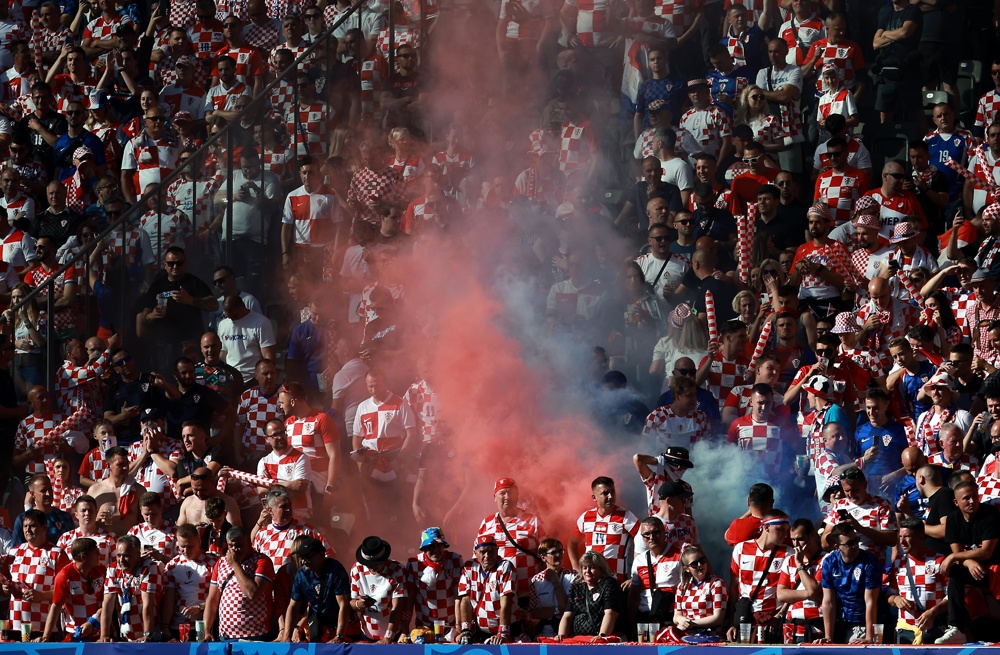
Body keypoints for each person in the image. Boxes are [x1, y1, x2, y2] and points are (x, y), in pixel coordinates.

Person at [937, 480, 1000, 643]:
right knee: (955, 573)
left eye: (974, 497)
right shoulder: (952, 520)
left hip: (995, 569)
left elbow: (986, 552)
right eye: (966, 498)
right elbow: (958, 552)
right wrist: (968, 562)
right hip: (973, 569)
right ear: (956, 502)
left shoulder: (990, 514)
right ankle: (956, 627)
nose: (972, 501)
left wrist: (954, 557)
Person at [3, 509, 70, 638]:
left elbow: (67, 591)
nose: (28, 530)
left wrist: (42, 595)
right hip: (15, 626)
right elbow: (3, 585)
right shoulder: (13, 552)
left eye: (33, 526)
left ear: (44, 527)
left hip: (44, 629)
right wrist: (5, 589)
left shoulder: (57, 554)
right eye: (25, 526)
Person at [477, 477, 545, 603]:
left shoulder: (532, 520)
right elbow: (477, 557)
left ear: (517, 495)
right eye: (502, 493)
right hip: (497, 594)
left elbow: (546, 555)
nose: (507, 497)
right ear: (494, 497)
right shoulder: (487, 523)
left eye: (511, 493)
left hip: (529, 593)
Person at [202, 525, 275, 641]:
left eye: (239, 546)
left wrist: (236, 565)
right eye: (231, 545)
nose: (234, 549)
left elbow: (252, 593)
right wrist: (206, 630)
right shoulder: (221, 563)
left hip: (255, 636)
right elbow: (212, 599)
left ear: (249, 543)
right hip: (226, 636)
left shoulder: (262, 561)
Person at [726, 511, 791, 642]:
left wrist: (779, 616)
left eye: (786, 530)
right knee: (744, 651)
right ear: (766, 527)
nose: (785, 534)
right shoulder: (741, 548)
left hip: (772, 620)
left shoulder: (789, 553)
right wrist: (731, 622)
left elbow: (791, 589)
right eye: (780, 529)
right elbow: (733, 587)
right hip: (745, 617)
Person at [887, 518, 949, 644]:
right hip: (906, 630)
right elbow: (889, 594)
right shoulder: (898, 563)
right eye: (900, 537)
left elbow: (951, 596)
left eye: (907, 536)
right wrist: (896, 599)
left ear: (921, 537)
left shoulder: (939, 560)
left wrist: (933, 612)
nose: (902, 541)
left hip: (935, 628)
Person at [817, 523, 881, 644]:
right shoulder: (830, 562)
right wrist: (828, 637)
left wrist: (869, 637)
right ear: (837, 547)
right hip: (842, 621)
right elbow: (828, 601)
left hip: (868, 622)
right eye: (849, 543)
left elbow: (871, 601)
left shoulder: (869, 561)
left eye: (856, 540)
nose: (855, 545)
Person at [567, 476, 640, 582]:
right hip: (591, 582)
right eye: (605, 493)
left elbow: (643, 541)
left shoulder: (626, 516)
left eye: (612, 492)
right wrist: (576, 569)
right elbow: (572, 543)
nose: (610, 496)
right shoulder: (586, 517)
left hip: (616, 581)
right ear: (594, 497)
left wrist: (635, 575)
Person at [280, 536, 350, 642]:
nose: (303, 561)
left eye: (308, 557)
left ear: (321, 556)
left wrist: (339, 636)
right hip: (318, 622)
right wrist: (286, 635)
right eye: (301, 557)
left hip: (341, 623)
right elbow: (293, 606)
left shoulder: (335, 570)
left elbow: (343, 604)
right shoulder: (301, 575)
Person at [100, 535, 164, 642]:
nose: (121, 560)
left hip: (150, 632)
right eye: (119, 555)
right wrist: (104, 635)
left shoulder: (149, 567)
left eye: (126, 556)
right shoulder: (112, 568)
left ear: (138, 555)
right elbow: (107, 603)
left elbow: (147, 604)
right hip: (125, 635)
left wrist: (147, 635)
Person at [161, 523, 218, 640]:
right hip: (179, 625)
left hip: (205, 624)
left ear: (198, 540)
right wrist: (165, 625)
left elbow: (218, 596)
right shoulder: (172, 565)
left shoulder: (212, 563)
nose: (185, 551)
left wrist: (200, 607)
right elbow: (169, 598)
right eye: (182, 547)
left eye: (190, 546)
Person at [43, 536, 105, 642]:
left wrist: (93, 621)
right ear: (84, 557)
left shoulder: (102, 571)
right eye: (96, 553)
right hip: (75, 635)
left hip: (99, 633)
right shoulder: (64, 576)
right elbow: (56, 607)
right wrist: (45, 637)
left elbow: (108, 603)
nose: (99, 555)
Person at [405, 527, 464, 636]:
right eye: (431, 546)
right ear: (423, 548)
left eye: (439, 545)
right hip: (424, 626)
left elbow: (458, 596)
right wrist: (404, 630)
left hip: (450, 625)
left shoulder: (455, 559)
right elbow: (410, 600)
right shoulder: (414, 563)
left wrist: (459, 626)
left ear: (444, 546)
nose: (436, 549)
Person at [628, 516, 684, 628]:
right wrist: (632, 624)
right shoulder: (639, 560)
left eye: (656, 532)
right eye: (647, 534)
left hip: (670, 617)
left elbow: (686, 590)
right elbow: (633, 596)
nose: (651, 537)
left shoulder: (679, 556)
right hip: (645, 617)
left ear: (664, 532)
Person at [555, 551, 623, 643]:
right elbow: (567, 615)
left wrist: (602, 636)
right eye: (585, 567)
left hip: (603, 640)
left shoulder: (609, 584)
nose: (587, 571)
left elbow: (610, 614)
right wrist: (561, 635)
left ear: (601, 569)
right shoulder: (577, 587)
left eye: (592, 567)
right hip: (578, 640)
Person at [349, 535, 407, 643]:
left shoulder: (397, 569)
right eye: (368, 564)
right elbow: (352, 603)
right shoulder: (356, 569)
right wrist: (359, 604)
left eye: (376, 564)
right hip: (366, 634)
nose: (372, 567)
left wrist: (388, 636)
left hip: (392, 635)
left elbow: (397, 607)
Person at [776, 518, 826, 643]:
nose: (796, 544)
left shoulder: (826, 559)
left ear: (812, 535)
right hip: (791, 628)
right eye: (793, 540)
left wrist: (800, 566)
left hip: (816, 627)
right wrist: (808, 593)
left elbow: (815, 592)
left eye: (800, 539)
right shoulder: (789, 560)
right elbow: (781, 595)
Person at [216, 296, 276, 381]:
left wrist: (267, 377)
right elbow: (222, 353)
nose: (232, 319)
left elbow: (268, 355)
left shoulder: (261, 322)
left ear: (242, 306)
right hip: (231, 378)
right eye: (228, 316)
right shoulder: (223, 325)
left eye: (235, 315)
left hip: (253, 378)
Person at [529, 538, 575, 638]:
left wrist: (555, 582)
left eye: (560, 551)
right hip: (543, 633)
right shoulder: (536, 580)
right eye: (554, 552)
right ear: (543, 557)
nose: (558, 555)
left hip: (567, 632)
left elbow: (567, 607)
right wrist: (557, 610)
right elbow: (534, 612)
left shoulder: (573, 576)